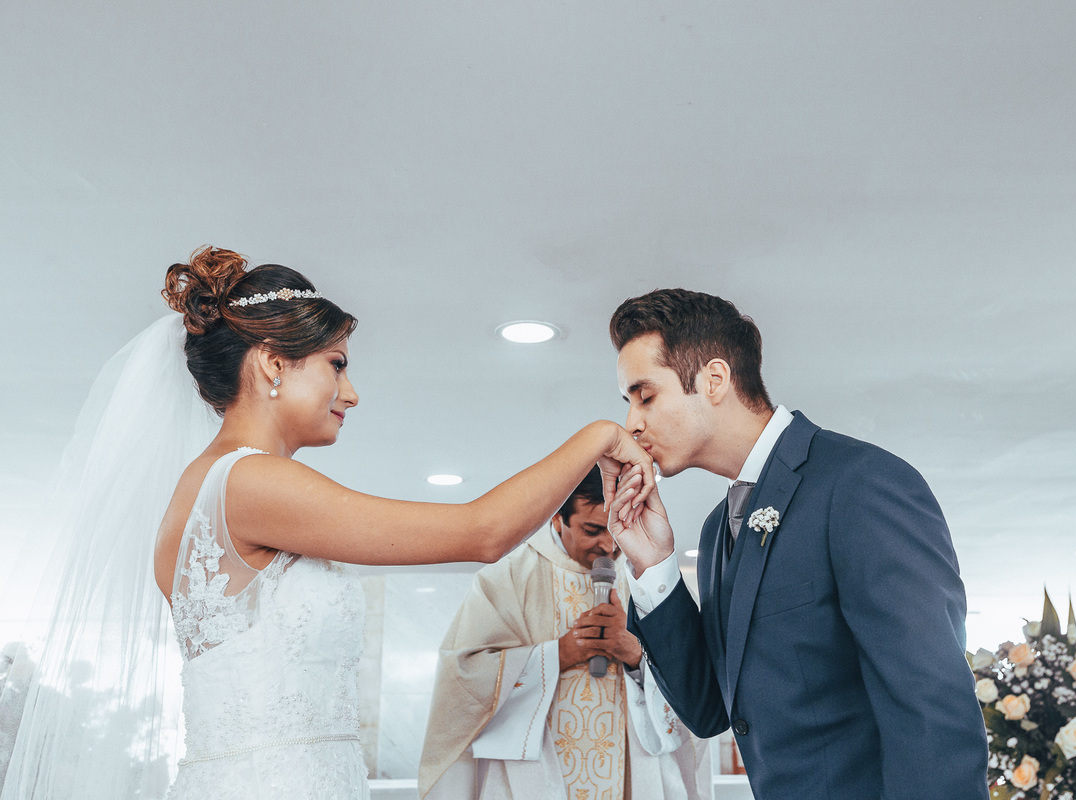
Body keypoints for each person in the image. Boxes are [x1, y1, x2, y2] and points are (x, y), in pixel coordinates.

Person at [0, 247, 655, 800]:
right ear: (271, 365)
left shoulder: (204, 489)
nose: (351, 392)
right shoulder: (248, 482)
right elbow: (481, 533)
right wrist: (597, 435)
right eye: (337, 364)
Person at [604, 289, 989, 800]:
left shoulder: (859, 484)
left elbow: (932, 708)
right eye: (628, 403)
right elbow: (709, 711)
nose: (632, 423)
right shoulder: (718, 532)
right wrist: (652, 564)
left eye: (646, 396)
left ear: (714, 380)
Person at [419, 467, 709, 800]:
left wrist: (633, 653)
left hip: (633, 773)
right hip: (536, 778)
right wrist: (561, 653)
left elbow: (696, 683)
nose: (609, 545)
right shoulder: (510, 577)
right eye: (592, 529)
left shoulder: (646, 581)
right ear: (558, 518)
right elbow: (462, 676)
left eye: (617, 529)